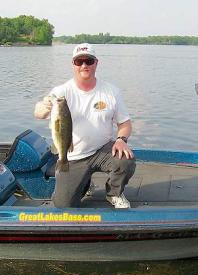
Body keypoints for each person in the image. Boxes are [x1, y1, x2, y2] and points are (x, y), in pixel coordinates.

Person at [34, 43, 136, 209]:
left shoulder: (111, 91)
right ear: (73, 64)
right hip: (73, 156)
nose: (84, 65)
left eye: (88, 61)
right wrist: (44, 107)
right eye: (79, 61)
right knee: (63, 206)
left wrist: (121, 139)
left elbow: (125, 123)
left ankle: (114, 193)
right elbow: (39, 113)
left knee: (126, 160)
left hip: (103, 149)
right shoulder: (62, 92)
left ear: (96, 63)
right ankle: (85, 183)